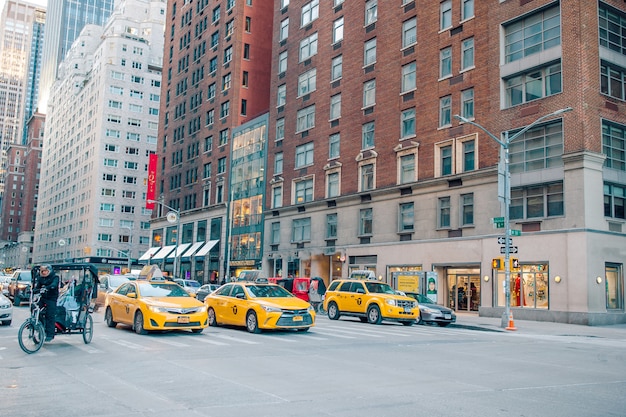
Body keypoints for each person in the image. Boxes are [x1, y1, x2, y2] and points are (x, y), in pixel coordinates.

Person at [36, 264, 60, 341]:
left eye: (45, 271)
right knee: (36, 309)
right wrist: (33, 290)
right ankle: (40, 327)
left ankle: (50, 334)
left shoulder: (55, 277)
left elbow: (54, 284)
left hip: (51, 298)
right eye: (42, 271)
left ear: (49, 271)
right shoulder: (41, 278)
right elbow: (37, 287)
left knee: (50, 315)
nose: (44, 272)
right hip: (43, 298)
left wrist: (49, 287)